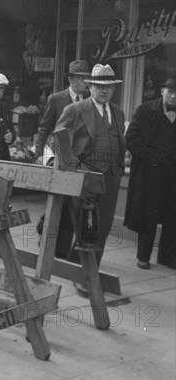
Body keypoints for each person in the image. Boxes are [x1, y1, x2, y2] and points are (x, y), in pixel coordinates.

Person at [54, 63, 126, 269]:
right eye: (99, 86)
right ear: (90, 87)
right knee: (87, 227)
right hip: (85, 179)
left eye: (109, 87)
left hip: (111, 178)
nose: (104, 90)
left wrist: (120, 167)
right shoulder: (75, 110)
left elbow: (119, 141)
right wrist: (74, 171)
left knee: (103, 228)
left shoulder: (118, 113)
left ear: (114, 88)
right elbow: (59, 141)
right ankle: (84, 274)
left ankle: (91, 270)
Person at [34, 59, 91, 258]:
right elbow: (44, 127)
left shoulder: (91, 99)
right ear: (73, 79)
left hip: (81, 160)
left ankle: (60, 246)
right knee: (61, 201)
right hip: (59, 158)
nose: (86, 82)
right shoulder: (57, 99)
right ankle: (50, 236)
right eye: (83, 78)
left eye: (87, 78)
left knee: (72, 204)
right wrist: (39, 153)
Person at [124, 75, 176, 270]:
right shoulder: (145, 110)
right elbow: (132, 139)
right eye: (170, 92)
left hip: (173, 175)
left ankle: (167, 257)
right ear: (162, 91)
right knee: (148, 214)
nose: (173, 97)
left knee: (173, 215)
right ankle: (143, 256)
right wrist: (150, 158)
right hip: (149, 174)